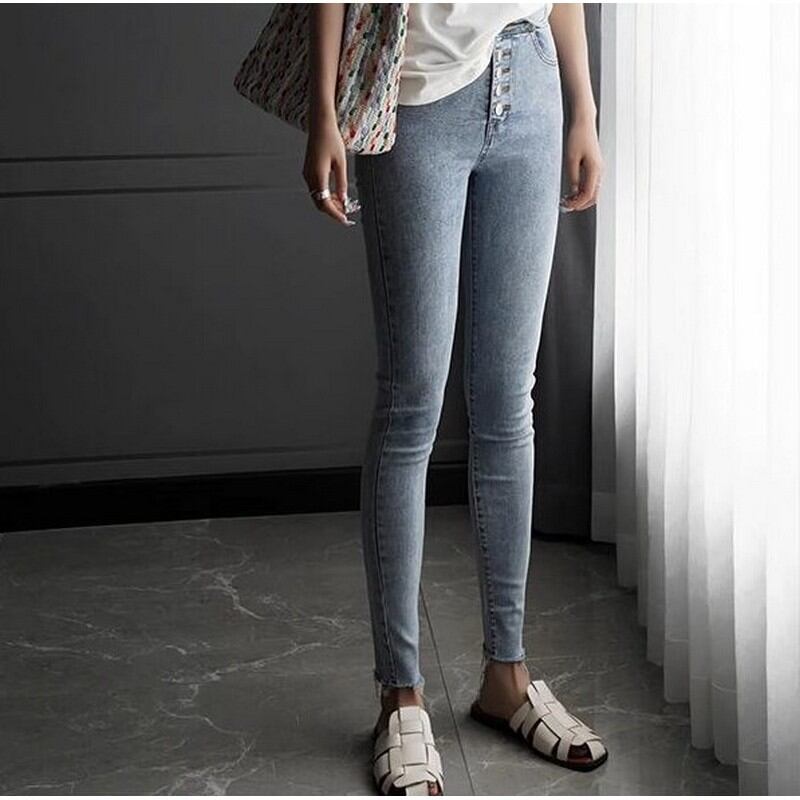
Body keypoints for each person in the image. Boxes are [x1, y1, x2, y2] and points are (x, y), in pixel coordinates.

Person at [304, 3, 606, 794]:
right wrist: (323, 111)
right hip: (418, 94)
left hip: (531, 81)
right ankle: (400, 695)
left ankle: (507, 676)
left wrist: (583, 106)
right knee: (412, 406)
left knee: (509, 401)